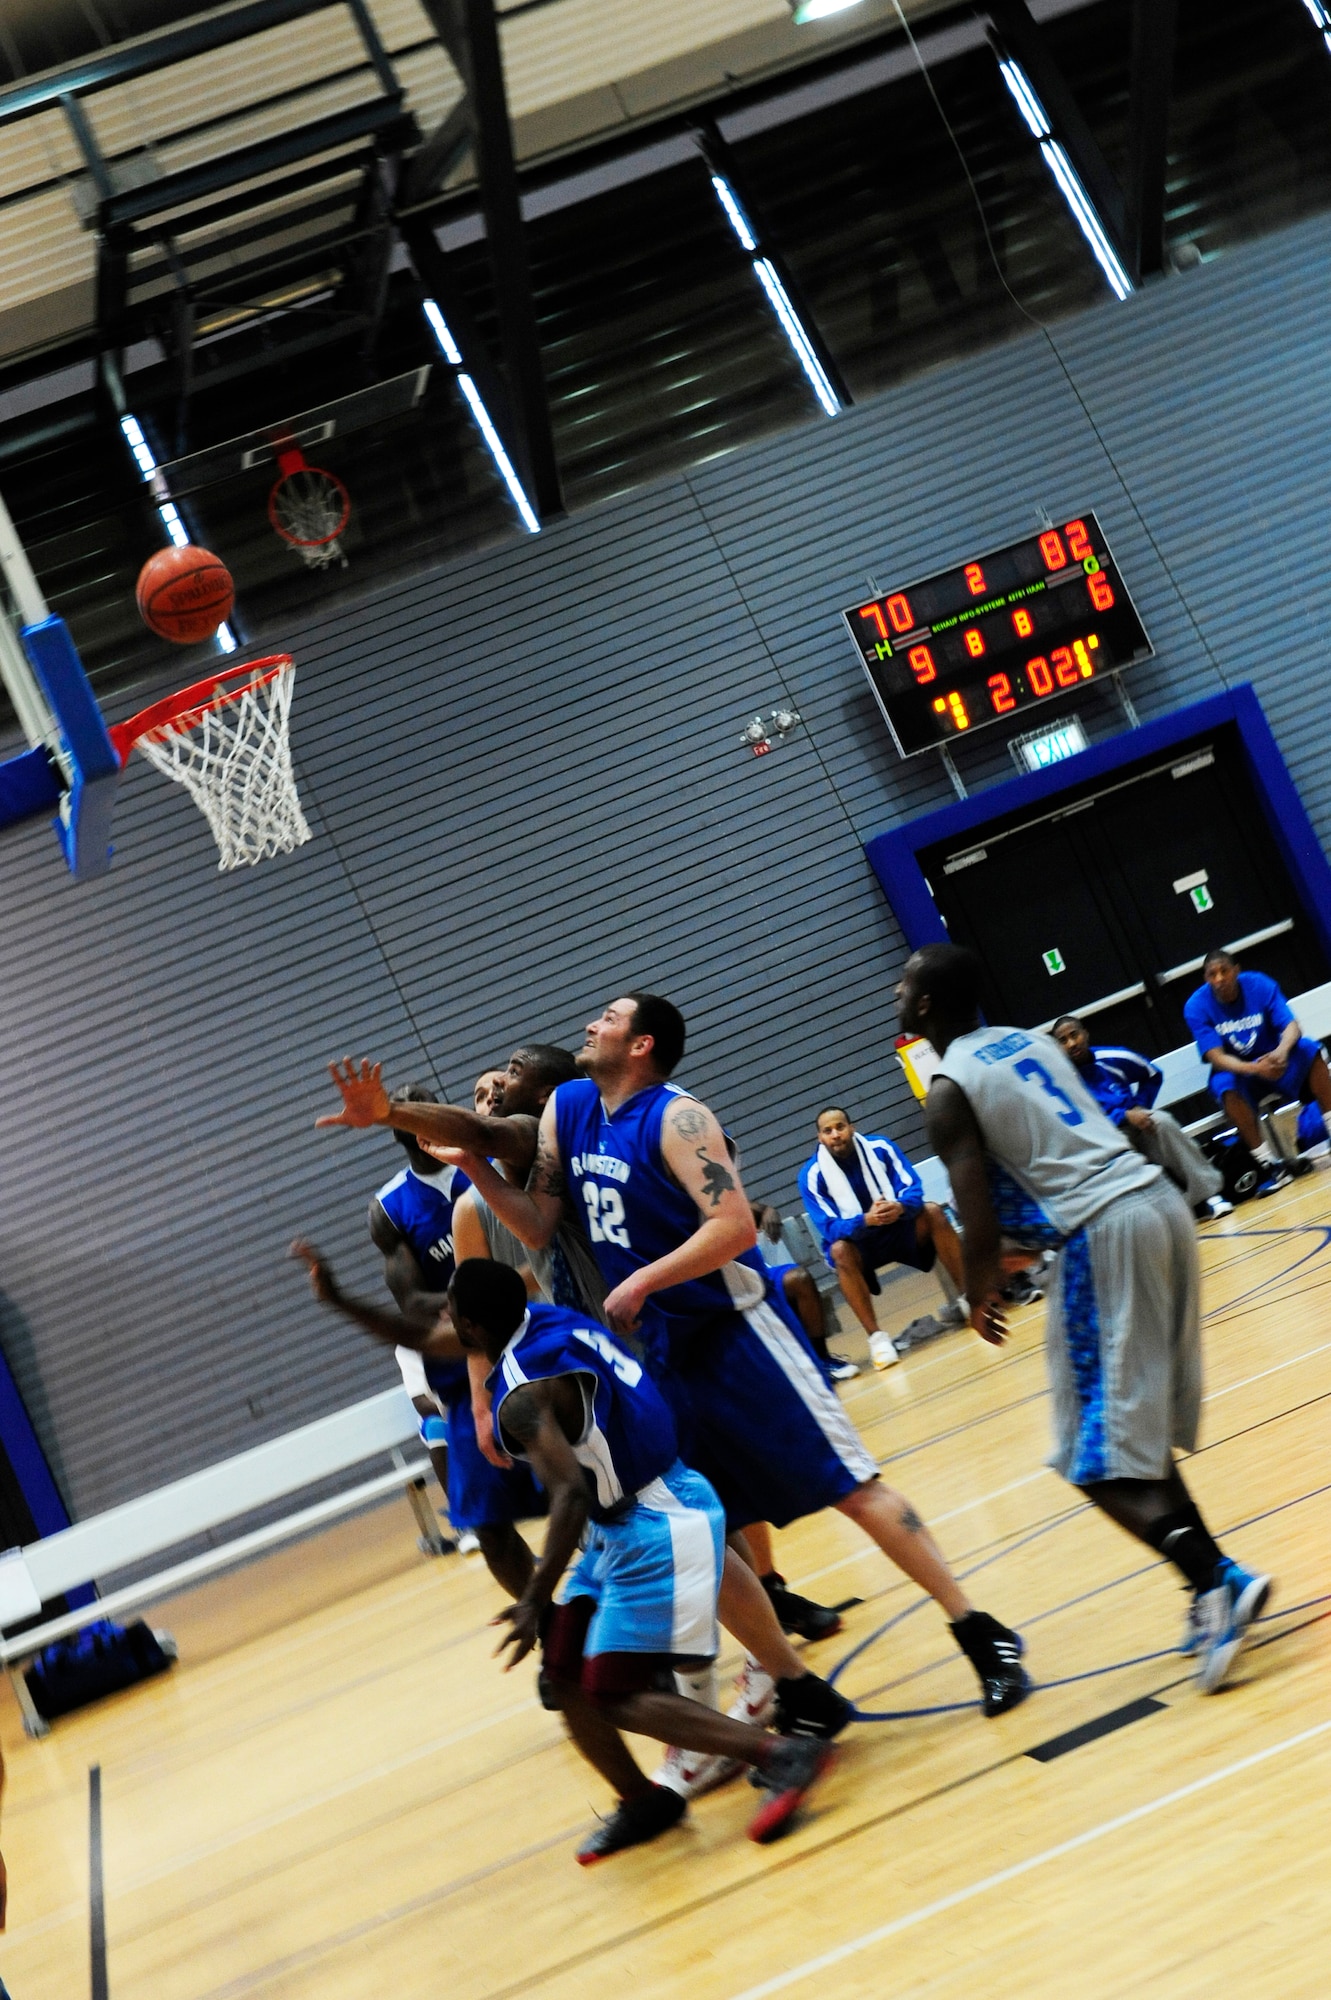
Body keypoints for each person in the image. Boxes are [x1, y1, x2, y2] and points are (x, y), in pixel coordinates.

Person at [450, 990, 1030, 1725]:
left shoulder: (680, 1119)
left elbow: (732, 1229)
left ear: (641, 1046)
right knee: (706, 1531)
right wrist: (475, 1164)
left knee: (850, 1486)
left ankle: (980, 1633)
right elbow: (534, 1227)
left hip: (737, 1334)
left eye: (609, 1018)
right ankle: (797, 1690)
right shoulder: (570, 1109)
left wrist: (645, 1278)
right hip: (661, 1354)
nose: (590, 1024)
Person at [901, 940, 1273, 1693]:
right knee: (1128, 1438)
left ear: (928, 1005)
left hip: (1101, 1233)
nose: (896, 996)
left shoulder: (947, 1087)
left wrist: (979, 1292)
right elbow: (1048, 1150)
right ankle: (1207, 1589)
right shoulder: (1026, 1041)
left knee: (1085, 1455)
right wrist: (1016, 1242)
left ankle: (1219, 1577)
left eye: (905, 986)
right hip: (1157, 1204)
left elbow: (973, 1208)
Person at [452, 1258, 836, 1862]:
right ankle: (643, 1800)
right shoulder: (550, 1322)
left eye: (451, 1318)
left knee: (614, 1691)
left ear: (471, 1328)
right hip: (635, 1512)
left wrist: (533, 1599)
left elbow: (571, 1495)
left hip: (649, 1523)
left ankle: (782, 1755)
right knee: (564, 1674)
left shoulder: (522, 1397)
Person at [799, 1106, 968, 1369]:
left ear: (851, 1128)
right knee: (838, 1251)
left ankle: (969, 1299)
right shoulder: (812, 1176)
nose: (835, 1135)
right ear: (819, 1138)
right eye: (827, 1131)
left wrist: (899, 1207)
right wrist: (866, 1220)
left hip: (898, 1228)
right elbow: (829, 1228)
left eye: (840, 1127)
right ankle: (878, 1340)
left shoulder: (881, 1148)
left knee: (933, 1212)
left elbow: (913, 1188)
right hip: (860, 1246)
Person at [1050, 1016, 1232, 1220]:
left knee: (1162, 1122)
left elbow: (1153, 1074)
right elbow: (1080, 1122)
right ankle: (1168, 1213)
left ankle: (1209, 1196)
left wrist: (1140, 1106)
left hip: (1137, 1125)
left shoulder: (1112, 1056)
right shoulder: (1059, 1081)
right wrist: (1124, 1115)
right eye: (1063, 1040)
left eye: (1074, 1035)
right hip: (1104, 1142)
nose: (1072, 1043)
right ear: (1057, 1047)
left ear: (1085, 1033)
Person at [1182, 947, 1331, 1196]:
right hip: (1244, 1072)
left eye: (1224, 971)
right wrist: (1254, 1068)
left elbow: (1292, 1027)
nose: (1219, 979)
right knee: (1224, 1085)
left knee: (1309, 1050)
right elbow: (1216, 1057)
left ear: (1236, 971)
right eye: (1212, 974)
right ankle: (1270, 1166)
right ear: (1206, 979)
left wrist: (1281, 1052)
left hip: (1275, 1061)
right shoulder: (1196, 1006)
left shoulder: (1259, 984)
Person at [753, 1202, 858, 1381]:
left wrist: (769, 1210)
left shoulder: (719, 1201)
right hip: (724, 1283)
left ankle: (821, 1359)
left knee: (799, 1278)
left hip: (759, 1272)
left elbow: (761, 1209)